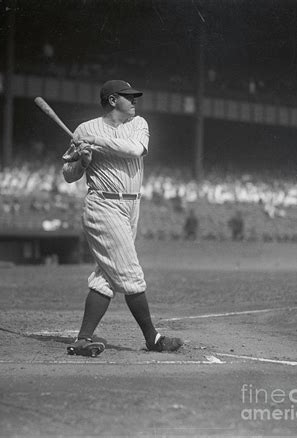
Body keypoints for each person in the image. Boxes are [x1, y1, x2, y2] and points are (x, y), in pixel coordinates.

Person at [62, 79, 183, 357]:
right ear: (113, 100)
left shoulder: (138, 124)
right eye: (129, 97)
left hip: (131, 207)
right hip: (103, 204)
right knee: (130, 273)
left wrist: (95, 142)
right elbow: (68, 175)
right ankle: (153, 338)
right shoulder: (84, 129)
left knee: (106, 275)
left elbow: (134, 150)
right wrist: (81, 160)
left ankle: (83, 338)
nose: (134, 101)